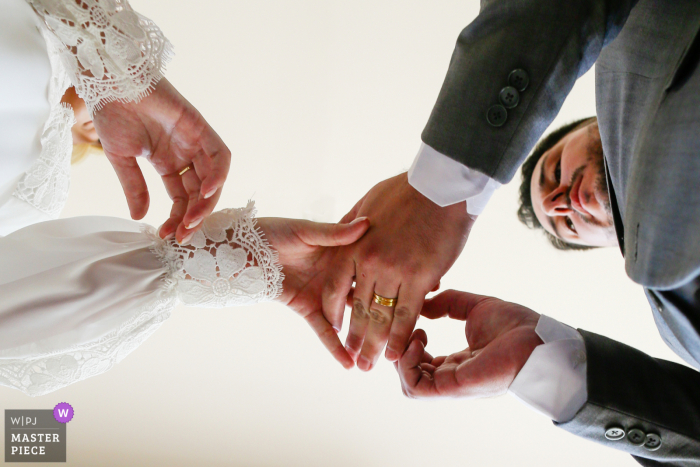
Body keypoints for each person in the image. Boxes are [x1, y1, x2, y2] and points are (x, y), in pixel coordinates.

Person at [326, 0, 700, 465]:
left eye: (554, 170)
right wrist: (543, 363)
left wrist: (440, 191)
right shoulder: (677, 329)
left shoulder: (634, 56)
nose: (564, 199)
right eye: (563, 221)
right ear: (604, 245)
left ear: (593, 124)